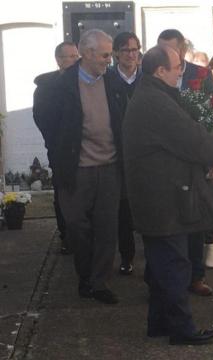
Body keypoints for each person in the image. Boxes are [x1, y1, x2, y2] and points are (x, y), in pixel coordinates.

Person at [122, 44, 213, 345]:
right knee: (174, 266)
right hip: (163, 200)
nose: (182, 71)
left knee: (160, 265)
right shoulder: (155, 102)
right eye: (177, 66)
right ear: (160, 71)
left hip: (157, 196)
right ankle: (181, 329)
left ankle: (159, 323)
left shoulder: (152, 95)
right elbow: (194, 141)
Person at [50, 29, 126, 305]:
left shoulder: (113, 82)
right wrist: (61, 155)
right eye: (105, 55)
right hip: (77, 169)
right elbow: (49, 123)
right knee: (77, 227)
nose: (110, 59)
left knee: (107, 228)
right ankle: (85, 276)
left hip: (109, 167)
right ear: (88, 53)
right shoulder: (62, 85)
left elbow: (122, 119)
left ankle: (99, 282)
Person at [157, 29, 213, 296]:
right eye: (161, 49)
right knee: (168, 222)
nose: (165, 55)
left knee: (196, 220)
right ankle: (166, 278)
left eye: (170, 49)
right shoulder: (155, 74)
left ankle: (196, 276)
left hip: (196, 158)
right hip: (167, 161)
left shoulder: (200, 75)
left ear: (181, 50)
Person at [32, 41, 79, 255]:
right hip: (59, 150)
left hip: (85, 149)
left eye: (76, 55)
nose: (74, 60)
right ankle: (66, 235)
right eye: (69, 56)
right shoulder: (46, 87)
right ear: (59, 60)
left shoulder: (85, 81)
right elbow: (42, 118)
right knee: (63, 192)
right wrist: (57, 142)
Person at [106, 31, 142, 275]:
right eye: (127, 50)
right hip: (117, 153)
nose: (132, 54)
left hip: (145, 154)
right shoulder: (107, 81)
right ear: (116, 53)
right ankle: (127, 256)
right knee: (123, 208)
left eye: (135, 49)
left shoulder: (148, 79)